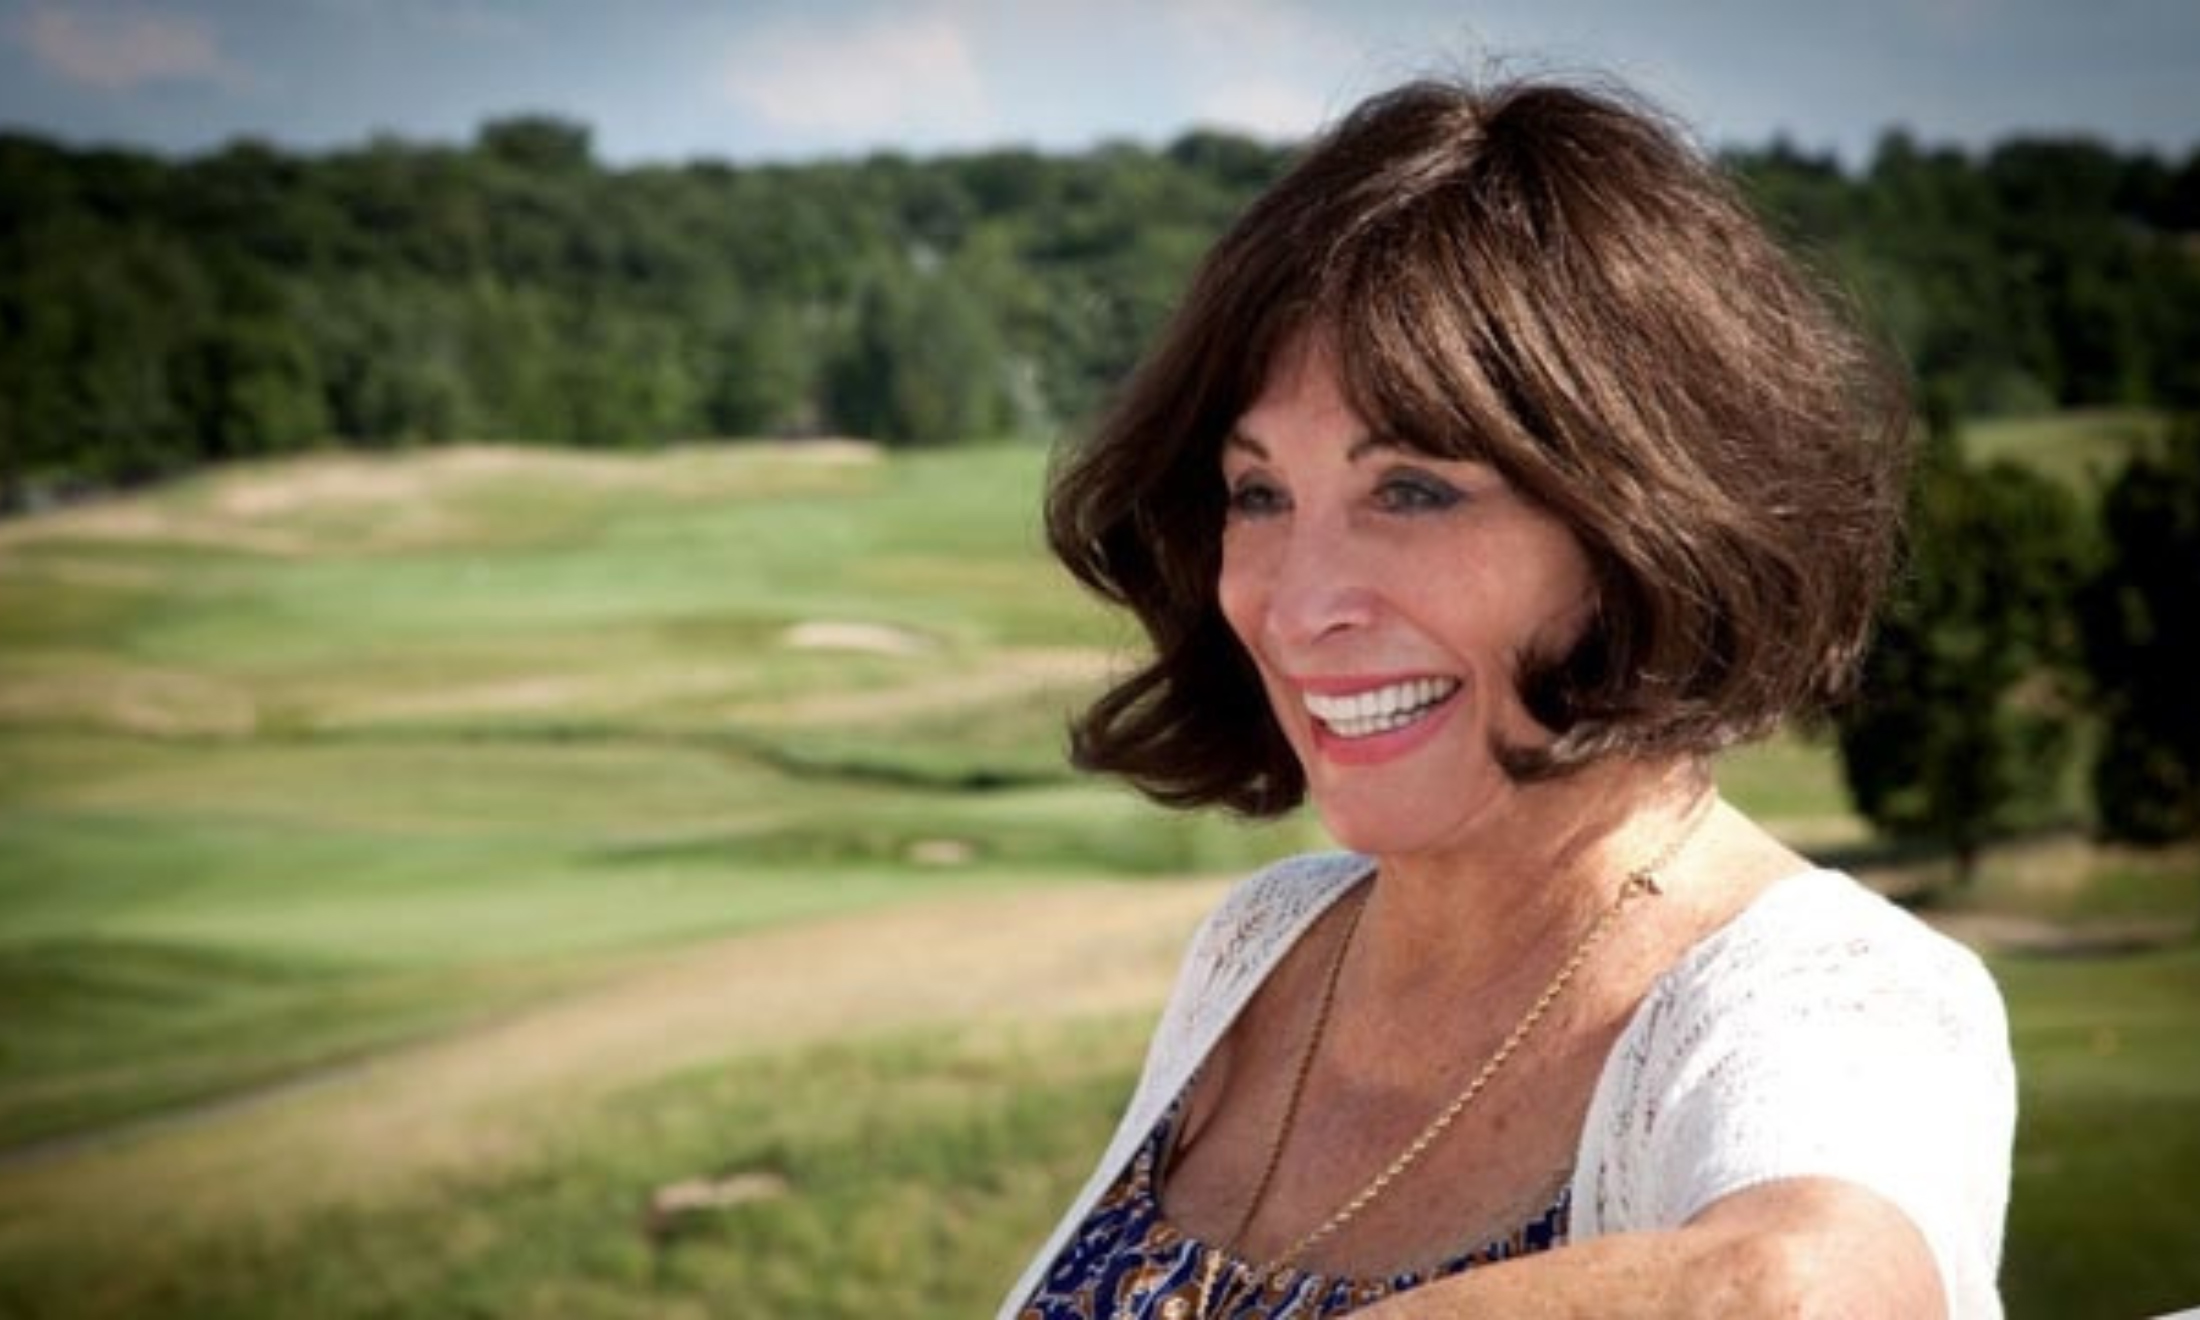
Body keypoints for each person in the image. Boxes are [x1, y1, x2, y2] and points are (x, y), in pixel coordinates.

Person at [998, 74, 2016, 1320]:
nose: (1298, 606)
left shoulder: (1822, 994)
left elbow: (1797, 1292)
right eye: (1259, 495)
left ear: (1640, 525)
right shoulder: (1264, 944)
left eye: (1411, 491)